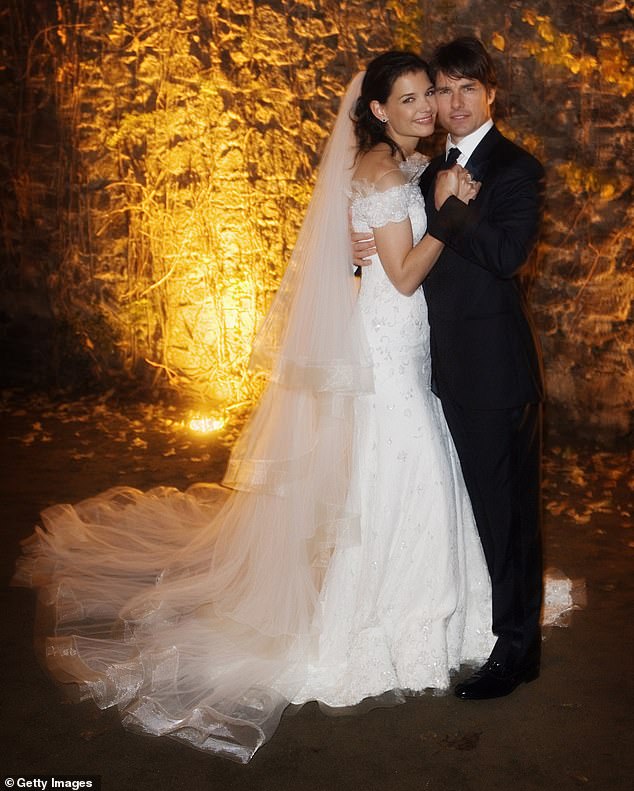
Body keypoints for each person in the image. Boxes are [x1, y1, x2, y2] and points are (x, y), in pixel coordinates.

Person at [11, 52, 499, 765]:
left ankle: (427, 614)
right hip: (390, 342)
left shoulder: (391, 166)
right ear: (377, 110)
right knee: (410, 464)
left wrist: (413, 204)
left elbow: (360, 241)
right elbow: (403, 270)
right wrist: (448, 212)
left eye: (430, 93)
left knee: (401, 468)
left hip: (399, 338)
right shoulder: (384, 170)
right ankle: (383, 624)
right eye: (410, 97)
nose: (427, 106)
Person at [353, 37, 546, 700]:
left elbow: (505, 254)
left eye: (467, 88)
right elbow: (394, 241)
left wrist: (449, 209)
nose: (451, 102)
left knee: (507, 516)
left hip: (493, 374)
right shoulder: (426, 162)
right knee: (462, 508)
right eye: (442, 89)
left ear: (490, 94)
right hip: (435, 368)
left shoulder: (516, 168)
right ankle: (473, 619)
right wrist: (364, 247)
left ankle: (517, 650)